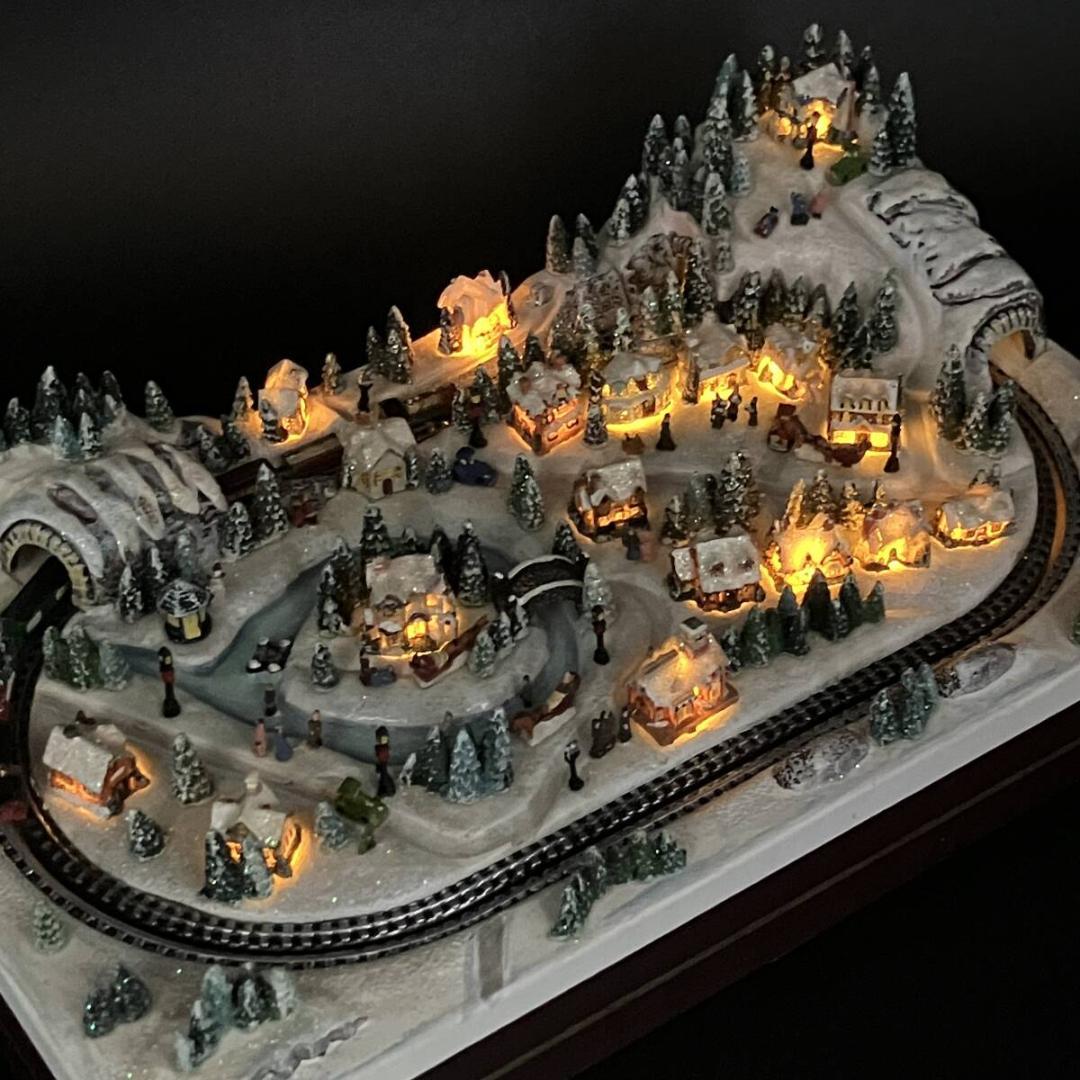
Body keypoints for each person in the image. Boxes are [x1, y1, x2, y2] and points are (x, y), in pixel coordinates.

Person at [374, 725, 396, 798]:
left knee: (384, 776)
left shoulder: (383, 748)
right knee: (383, 775)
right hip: (382, 761)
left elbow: (383, 755)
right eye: (382, 738)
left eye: (385, 738)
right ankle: (387, 790)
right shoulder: (382, 747)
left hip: (383, 761)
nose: (384, 740)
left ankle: (389, 791)